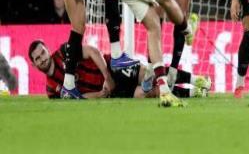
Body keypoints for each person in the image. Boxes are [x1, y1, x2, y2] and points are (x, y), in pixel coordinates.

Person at [29, 40, 211, 99]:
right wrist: (100, 94)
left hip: (112, 68)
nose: (42, 58)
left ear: (47, 49)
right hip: (108, 92)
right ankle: (194, 93)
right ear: (34, 65)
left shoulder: (64, 52)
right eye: (37, 58)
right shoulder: (51, 90)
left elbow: (92, 51)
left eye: (42, 53)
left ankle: (197, 80)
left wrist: (107, 77)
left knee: (147, 74)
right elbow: (76, 99)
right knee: (143, 94)